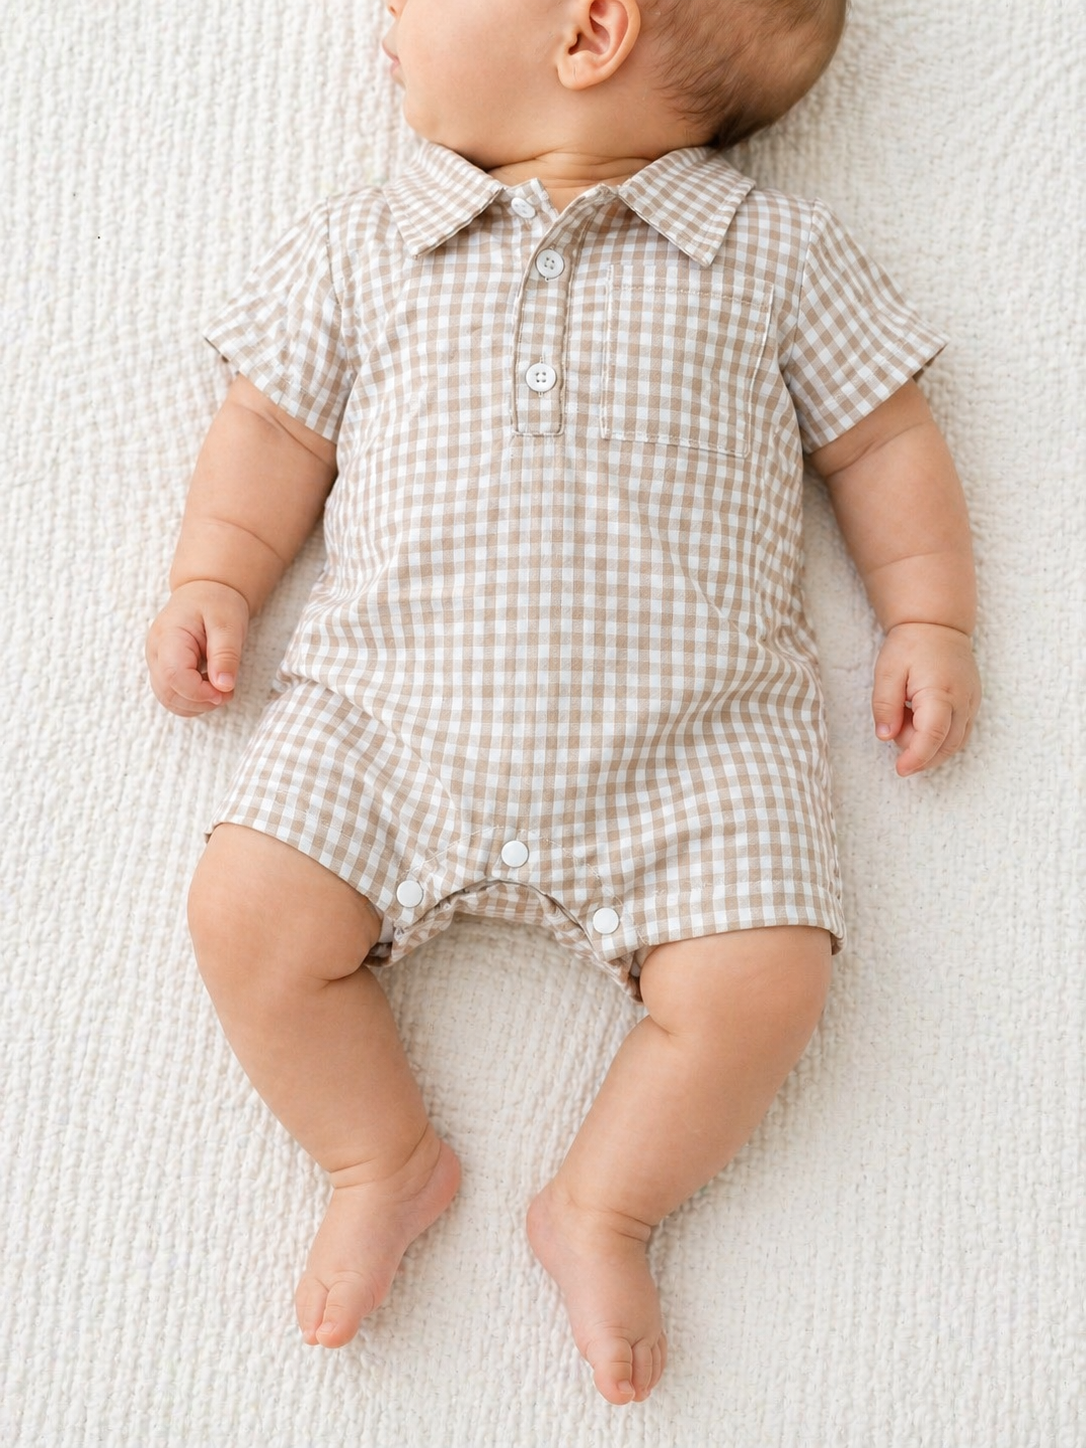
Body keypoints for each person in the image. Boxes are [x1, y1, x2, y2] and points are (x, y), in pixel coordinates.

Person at [145, 0, 981, 1405]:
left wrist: (928, 615)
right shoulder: (366, 236)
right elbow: (272, 426)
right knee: (246, 912)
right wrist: (213, 580)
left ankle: (603, 1203)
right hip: (391, 721)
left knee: (763, 980)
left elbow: (883, 435)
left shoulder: (776, 252)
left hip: (693, 747)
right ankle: (378, 1154)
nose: (387, 15)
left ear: (590, 31)